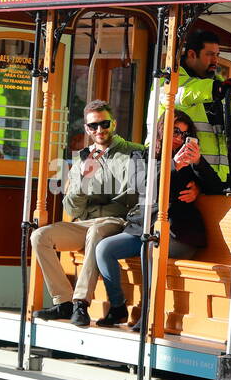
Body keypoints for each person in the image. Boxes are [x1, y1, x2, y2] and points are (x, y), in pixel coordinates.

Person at [94, 112, 224, 328]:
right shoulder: (142, 156)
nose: (180, 138)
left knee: (151, 249)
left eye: (185, 133)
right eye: (175, 131)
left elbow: (218, 188)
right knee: (104, 249)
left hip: (180, 234)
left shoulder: (190, 160)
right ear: (161, 129)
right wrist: (173, 165)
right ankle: (117, 307)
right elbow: (144, 187)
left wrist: (199, 166)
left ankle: (149, 313)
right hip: (143, 228)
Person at [31, 99, 140, 328]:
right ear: (87, 129)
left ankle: (81, 302)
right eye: (93, 126)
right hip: (86, 222)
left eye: (104, 124)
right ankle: (64, 301)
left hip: (116, 222)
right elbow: (72, 208)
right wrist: (84, 180)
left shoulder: (132, 152)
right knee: (39, 236)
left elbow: (132, 196)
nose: (99, 130)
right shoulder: (83, 158)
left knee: (96, 232)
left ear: (114, 124)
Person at [157, 30, 231, 186]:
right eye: (210, 54)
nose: (216, 60)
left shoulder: (222, 86)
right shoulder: (168, 81)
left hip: (216, 179)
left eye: (217, 55)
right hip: (178, 177)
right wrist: (217, 90)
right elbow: (185, 93)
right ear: (192, 54)